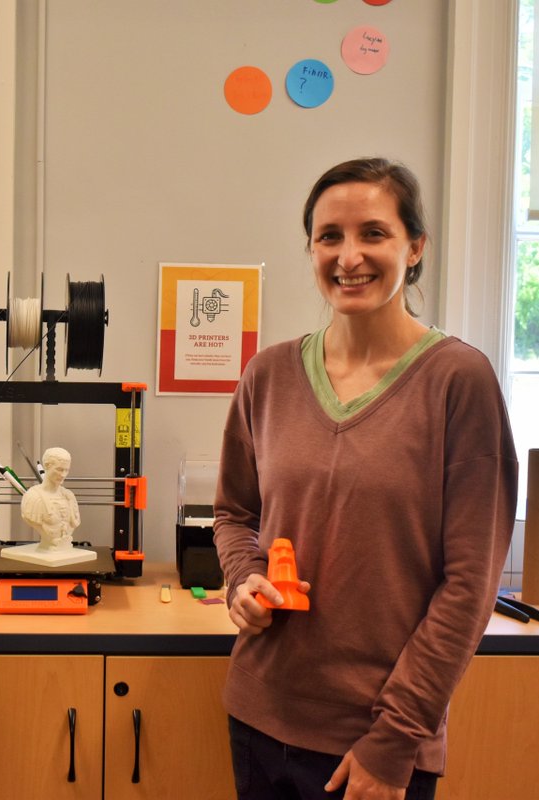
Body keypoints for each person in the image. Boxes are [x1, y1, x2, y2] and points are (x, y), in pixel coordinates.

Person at [213, 157, 517, 800]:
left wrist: (394, 739)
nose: (349, 256)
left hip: (375, 744)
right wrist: (244, 580)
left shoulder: (459, 382)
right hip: (259, 717)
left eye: (373, 233)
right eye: (330, 236)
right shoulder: (266, 376)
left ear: (415, 247)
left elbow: (469, 584)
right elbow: (235, 514)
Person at [20, 447, 81, 551]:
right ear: (47, 466)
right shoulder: (33, 497)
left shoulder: (69, 496)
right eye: (59, 469)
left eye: (66, 470)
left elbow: (74, 522)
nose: (63, 475)